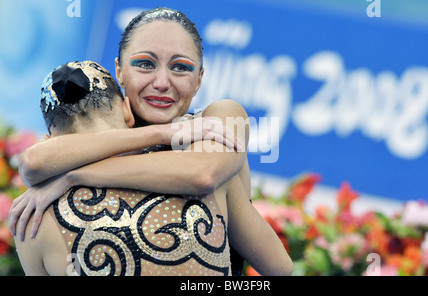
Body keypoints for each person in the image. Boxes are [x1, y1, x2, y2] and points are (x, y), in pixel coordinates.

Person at [9, 8, 288, 275]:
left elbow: (202, 174)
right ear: (119, 71)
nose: (162, 82)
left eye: (181, 68)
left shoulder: (217, 121)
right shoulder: (100, 146)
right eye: (145, 64)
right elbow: (33, 161)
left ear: (200, 79)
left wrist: (73, 176)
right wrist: (157, 134)